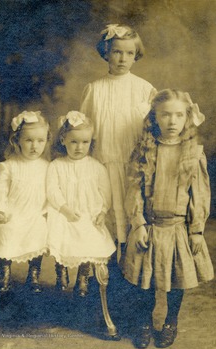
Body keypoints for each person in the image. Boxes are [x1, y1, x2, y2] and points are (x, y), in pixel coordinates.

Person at [122, 89, 214, 349]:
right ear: (154, 118)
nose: (172, 121)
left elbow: (200, 195)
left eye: (178, 115)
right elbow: (134, 191)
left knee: (176, 280)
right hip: (150, 226)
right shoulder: (145, 151)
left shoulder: (193, 154)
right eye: (165, 115)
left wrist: (196, 230)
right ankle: (143, 322)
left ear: (187, 118)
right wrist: (138, 224)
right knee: (145, 282)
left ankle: (170, 321)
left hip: (178, 228)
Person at [80, 24, 157, 260]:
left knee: (136, 216)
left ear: (135, 56)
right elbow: (83, 131)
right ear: (106, 53)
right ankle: (103, 272)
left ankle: (133, 274)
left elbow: (155, 131)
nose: (123, 58)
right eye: (116, 52)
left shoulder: (145, 89)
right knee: (106, 218)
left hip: (136, 168)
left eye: (129, 53)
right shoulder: (94, 90)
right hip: (103, 165)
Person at [0, 111, 51, 293]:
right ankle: (5, 270)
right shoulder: (8, 166)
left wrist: (47, 211)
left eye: (40, 140)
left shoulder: (47, 167)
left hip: (35, 213)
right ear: (17, 141)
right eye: (29, 140)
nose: (34, 146)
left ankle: (33, 273)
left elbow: (52, 194)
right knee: (7, 230)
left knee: (39, 230)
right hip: (12, 213)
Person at [47, 111, 116, 296]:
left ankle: (83, 277)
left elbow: (105, 193)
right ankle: (61, 271)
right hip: (64, 213)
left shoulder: (96, 167)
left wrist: (102, 212)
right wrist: (64, 209)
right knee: (61, 236)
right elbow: (52, 191)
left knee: (89, 239)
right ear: (63, 140)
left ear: (91, 142)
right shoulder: (56, 165)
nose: (79, 147)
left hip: (89, 213)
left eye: (85, 142)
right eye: (74, 142)